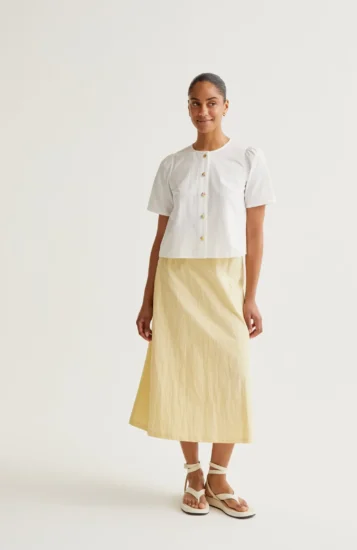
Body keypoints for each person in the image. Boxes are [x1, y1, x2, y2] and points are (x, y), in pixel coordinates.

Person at [129, 72, 276, 519]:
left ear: (226, 106)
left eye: (212, 102)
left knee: (231, 372)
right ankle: (193, 473)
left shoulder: (247, 159)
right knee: (181, 372)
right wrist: (148, 299)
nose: (203, 111)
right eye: (195, 103)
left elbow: (255, 234)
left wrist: (250, 296)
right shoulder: (172, 165)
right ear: (188, 108)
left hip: (226, 279)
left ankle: (219, 477)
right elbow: (160, 237)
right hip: (177, 279)